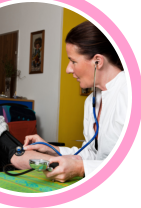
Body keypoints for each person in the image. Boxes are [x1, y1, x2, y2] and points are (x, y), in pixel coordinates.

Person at [24, 21, 128, 182]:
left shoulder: (131, 93)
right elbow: (93, 154)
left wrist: (81, 169)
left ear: (97, 62)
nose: (68, 69)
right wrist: (51, 149)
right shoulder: (91, 101)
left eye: (73, 61)